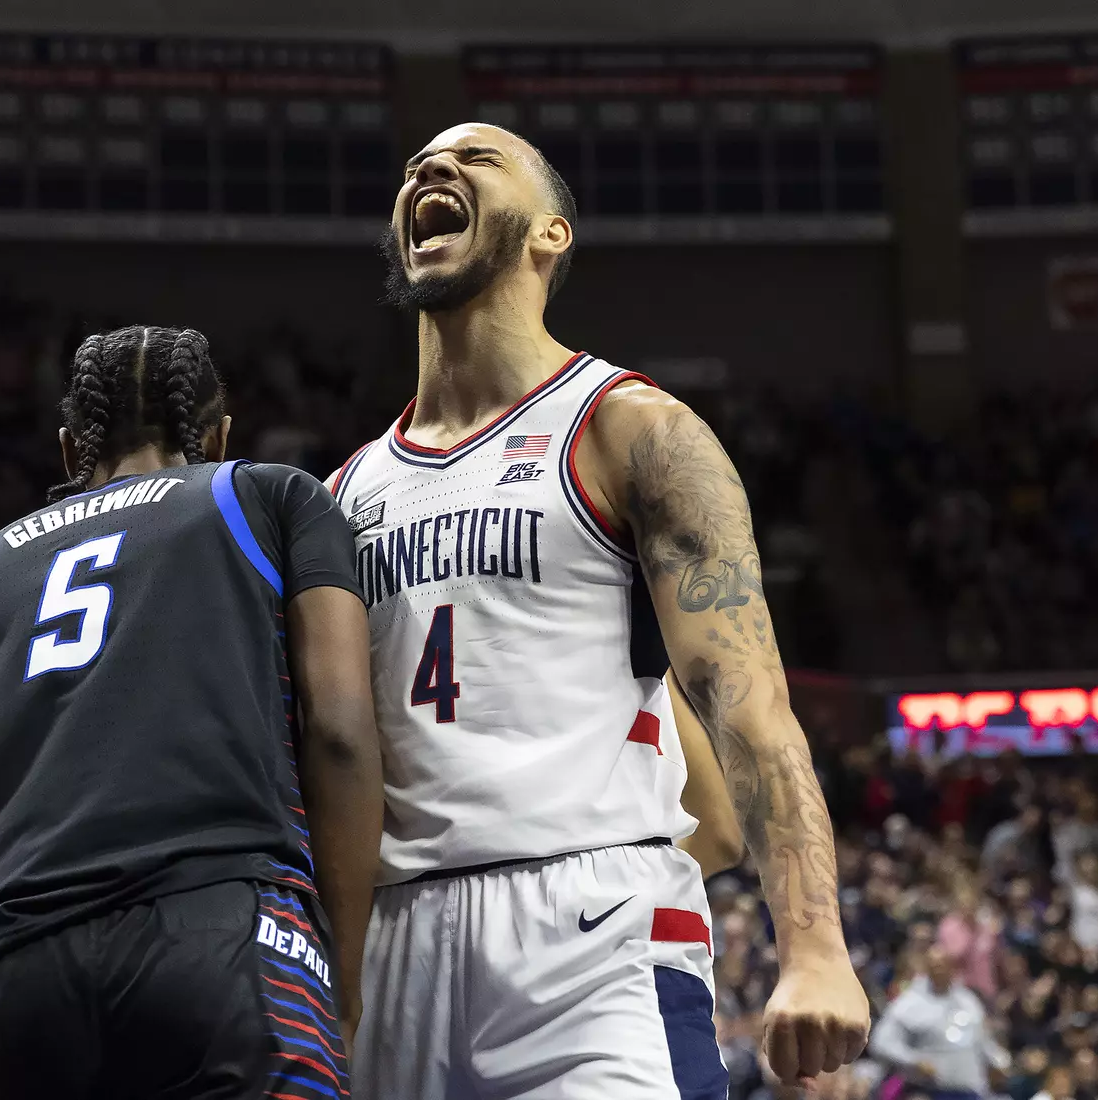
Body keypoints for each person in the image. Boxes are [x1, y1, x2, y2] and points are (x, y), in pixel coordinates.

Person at [333, 122, 868, 1099]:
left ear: (550, 234)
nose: (432, 170)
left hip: (589, 927)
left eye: (476, 159)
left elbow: (748, 705)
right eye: (416, 165)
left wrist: (815, 946)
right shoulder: (344, 491)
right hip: (394, 933)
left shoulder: (632, 428)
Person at [0, 327, 382, 1099]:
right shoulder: (268, 495)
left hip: (7, 978)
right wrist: (344, 982)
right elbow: (342, 735)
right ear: (219, 437)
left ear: (67, 451)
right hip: (220, 935)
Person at [869, 946, 1008, 1100]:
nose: (939, 970)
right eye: (934, 966)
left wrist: (999, 1062)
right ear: (926, 968)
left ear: (952, 967)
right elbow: (881, 1043)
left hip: (970, 1090)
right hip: (929, 1091)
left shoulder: (968, 1001)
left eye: (943, 965)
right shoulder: (908, 1003)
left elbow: (982, 1042)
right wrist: (914, 1061)